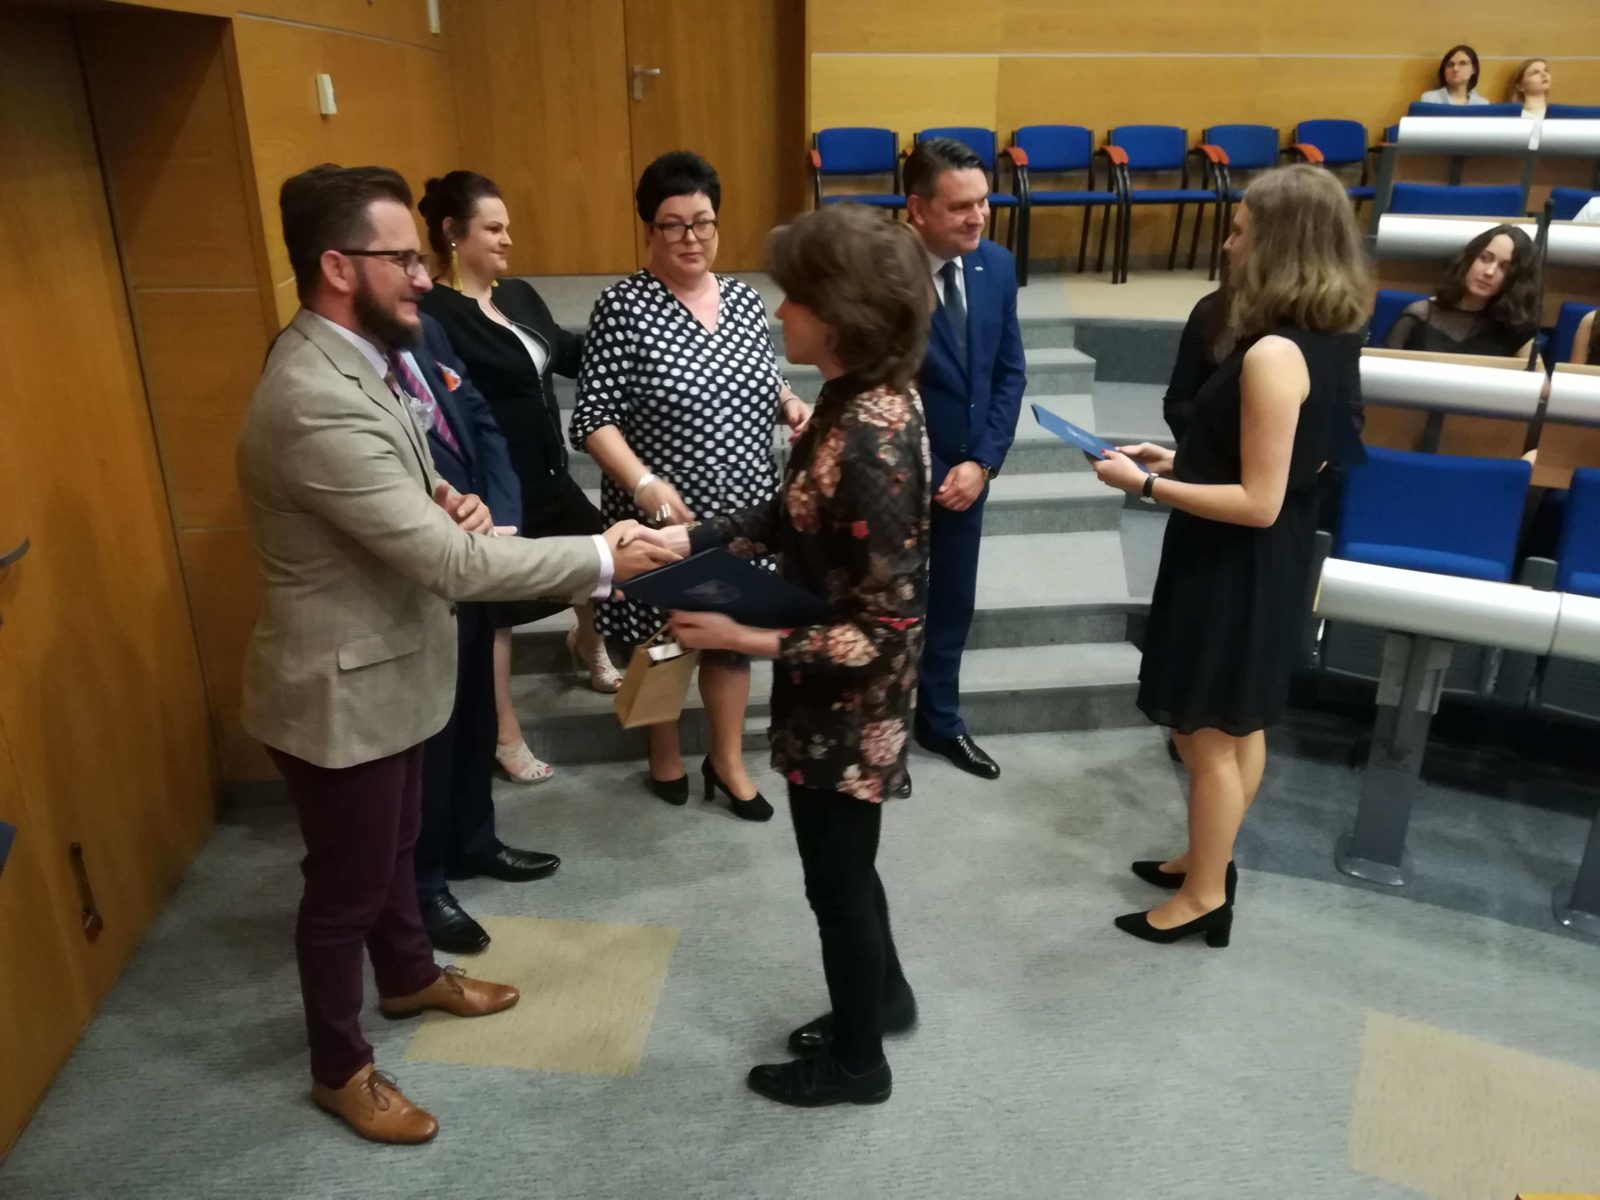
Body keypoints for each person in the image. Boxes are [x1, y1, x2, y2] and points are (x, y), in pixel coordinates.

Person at [237, 164, 677, 1143]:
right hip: (340, 690)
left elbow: (406, 478)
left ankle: (407, 978)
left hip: (393, 662)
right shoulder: (311, 391)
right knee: (344, 892)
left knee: (398, 850)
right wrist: (603, 555)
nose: (421, 276)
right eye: (401, 259)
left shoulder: (360, 357)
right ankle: (339, 1069)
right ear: (337, 266)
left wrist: (445, 494)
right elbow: (446, 563)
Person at [660, 202, 933, 1107]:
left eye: (796, 297)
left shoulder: (874, 437)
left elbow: (886, 630)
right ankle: (883, 999)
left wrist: (741, 639)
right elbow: (792, 513)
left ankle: (859, 1064)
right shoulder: (848, 401)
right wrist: (689, 542)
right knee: (849, 870)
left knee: (837, 887)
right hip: (826, 687)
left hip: (854, 702)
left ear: (842, 313)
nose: (780, 311)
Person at [1089, 164, 1368, 947]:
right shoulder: (1327, 338)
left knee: (1205, 732)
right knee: (1238, 725)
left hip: (1235, 563)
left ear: (1280, 243)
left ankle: (1206, 895)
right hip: (1260, 557)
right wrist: (1179, 462)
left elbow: (1258, 499)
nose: (1228, 242)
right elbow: (1288, 462)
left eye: (1242, 229)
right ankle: (1209, 857)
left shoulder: (1274, 352)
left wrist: (1147, 485)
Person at [571, 150, 810, 821]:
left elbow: (764, 379)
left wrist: (790, 403)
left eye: (703, 222)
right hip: (661, 511)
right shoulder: (622, 306)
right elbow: (593, 419)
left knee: (731, 638)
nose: (691, 238)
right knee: (665, 639)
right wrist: (643, 480)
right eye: (673, 225)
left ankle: (727, 760)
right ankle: (665, 752)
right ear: (649, 229)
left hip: (743, 508)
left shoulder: (743, 299)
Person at [418, 171, 618, 790]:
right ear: (453, 234)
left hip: (549, 469)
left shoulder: (521, 295)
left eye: (507, 227)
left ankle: (588, 645)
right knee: (498, 614)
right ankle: (505, 733)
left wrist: (631, 346)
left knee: (599, 562)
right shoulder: (434, 314)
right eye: (494, 228)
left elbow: (565, 351)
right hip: (494, 486)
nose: (508, 239)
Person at [402, 310, 564, 954]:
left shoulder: (427, 330)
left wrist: (502, 519)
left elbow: (479, 419)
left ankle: (473, 841)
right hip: (414, 574)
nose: (420, 280)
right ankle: (423, 886)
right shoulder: (337, 366)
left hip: (478, 548)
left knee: (473, 712)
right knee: (431, 734)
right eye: (401, 264)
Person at [901, 137, 1027, 791]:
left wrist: (983, 462)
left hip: (968, 478)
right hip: (897, 478)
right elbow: (867, 384)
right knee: (886, 606)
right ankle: (879, 731)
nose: (978, 217)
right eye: (960, 207)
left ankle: (939, 721)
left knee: (952, 602)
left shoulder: (995, 265)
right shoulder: (883, 273)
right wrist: (925, 463)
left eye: (983, 202)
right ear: (917, 209)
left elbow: (1008, 372)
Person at [1384, 224, 1538, 358]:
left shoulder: (1513, 329)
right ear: (1469, 260)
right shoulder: (1419, 315)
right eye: (1485, 258)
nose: (1489, 272)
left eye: (1504, 268)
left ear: (1515, 279)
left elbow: (1538, 380)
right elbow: (1382, 372)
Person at [1420, 45, 1489, 106]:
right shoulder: (1430, 100)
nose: (1455, 69)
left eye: (1462, 63)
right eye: (1450, 65)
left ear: (1474, 69)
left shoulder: (1481, 104)